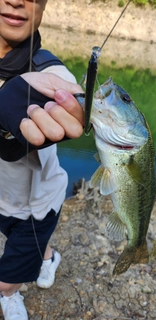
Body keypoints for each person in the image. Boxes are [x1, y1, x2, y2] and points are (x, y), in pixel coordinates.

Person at [0, 1, 85, 319]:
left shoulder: (52, 74)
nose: (18, 0)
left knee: (6, 280)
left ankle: (9, 295)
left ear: (44, 7)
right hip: (2, 199)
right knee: (30, 244)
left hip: (36, 208)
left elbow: (66, 98)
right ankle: (48, 257)